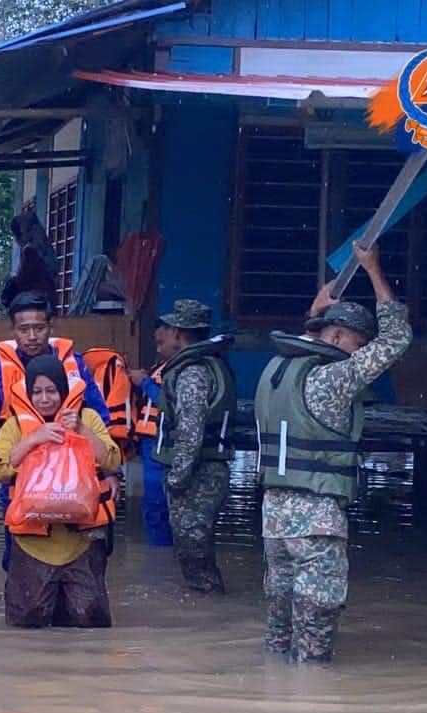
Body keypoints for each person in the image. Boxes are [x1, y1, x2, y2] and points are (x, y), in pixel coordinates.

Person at [255, 243, 411, 662]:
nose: (359, 356)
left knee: (279, 636)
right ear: (337, 337)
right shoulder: (331, 380)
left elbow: (306, 341)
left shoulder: (274, 371)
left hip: (274, 521)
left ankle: (268, 712)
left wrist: (314, 312)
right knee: (313, 648)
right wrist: (374, 270)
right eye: (357, 345)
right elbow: (397, 339)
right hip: (316, 522)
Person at [0, 291, 111, 569]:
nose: (32, 336)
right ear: (13, 331)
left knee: (84, 565)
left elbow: (99, 420)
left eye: (39, 328)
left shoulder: (75, 365)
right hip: (22, 484)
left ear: (51, 328)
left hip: (74, 484)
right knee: (20, 567)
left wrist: (111, 473)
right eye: (24, 329)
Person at [0, 354, 120, 628]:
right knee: (27, 622)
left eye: (51, 391)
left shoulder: (89, 418)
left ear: (63, 389)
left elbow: (113, 459)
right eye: (37, 392)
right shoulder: (15, 425)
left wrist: (81, 430)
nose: (44, 399)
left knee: (89, 620)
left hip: (82, 540)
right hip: (32, 542)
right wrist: (34, 439)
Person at [149, 299, 236, 593]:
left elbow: (190, 429)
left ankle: (209, 608)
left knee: (193, 549)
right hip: (204, 470)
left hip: (198, 474)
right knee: (196, 549)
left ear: (178, 333)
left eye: (167, 330)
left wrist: (177, 479)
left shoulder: (192, 372)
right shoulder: (204, 365)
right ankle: (209, 611)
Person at [130, 321, 181, 546]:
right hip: (151, 443)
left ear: (177, 337)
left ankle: (161, 561)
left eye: (161, 343)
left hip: (162, 445)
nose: (158, 349)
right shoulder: (163, 366)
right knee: (153, 507)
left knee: (158, 507)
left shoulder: (182, 370)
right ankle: (160, 567)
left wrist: (145, 383)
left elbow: (168, 403)